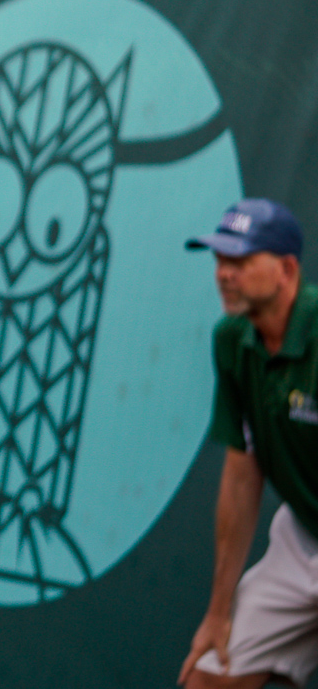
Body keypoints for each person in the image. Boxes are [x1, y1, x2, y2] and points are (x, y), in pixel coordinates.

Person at [180, 198, 318, 689]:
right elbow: (242, 477)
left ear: (285, 269)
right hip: (302, 537)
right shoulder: (231, 340)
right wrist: (218, 613)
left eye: (239, 261)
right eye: (219, 260)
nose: (223, 274)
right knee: (207, 678)